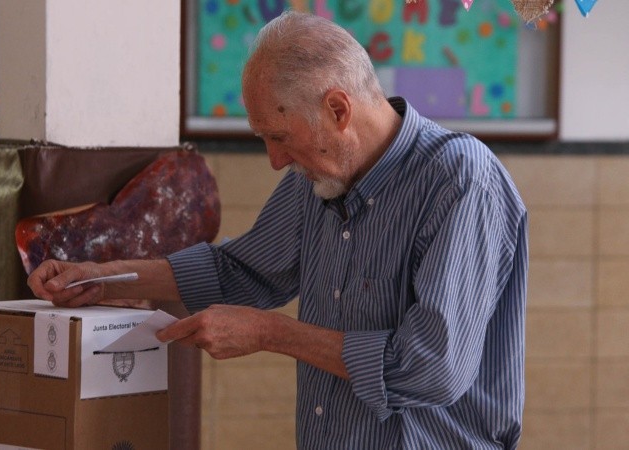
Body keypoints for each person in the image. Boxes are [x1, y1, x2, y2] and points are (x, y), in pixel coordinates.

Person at [28, 11, 527, 450]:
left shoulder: (461, 180)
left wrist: (271, 333)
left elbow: (433, 368)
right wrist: (102, 278)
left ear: (338, 110)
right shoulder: (319, 177)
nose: (275, 160)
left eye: (280, 137)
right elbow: (238, 271)